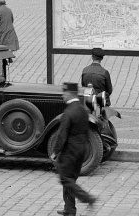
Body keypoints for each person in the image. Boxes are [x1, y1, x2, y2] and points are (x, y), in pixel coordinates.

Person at [50, 82, 97, 216]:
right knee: (70, 179)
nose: (62, 96)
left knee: (65, 179)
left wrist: (55, 152)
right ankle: (69, 209)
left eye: (64, 93)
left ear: (69, 94)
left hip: (70, 150)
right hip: (82, 148)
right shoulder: (82, 109)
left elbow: (62, 134)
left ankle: (88, 198)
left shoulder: (68, 112)